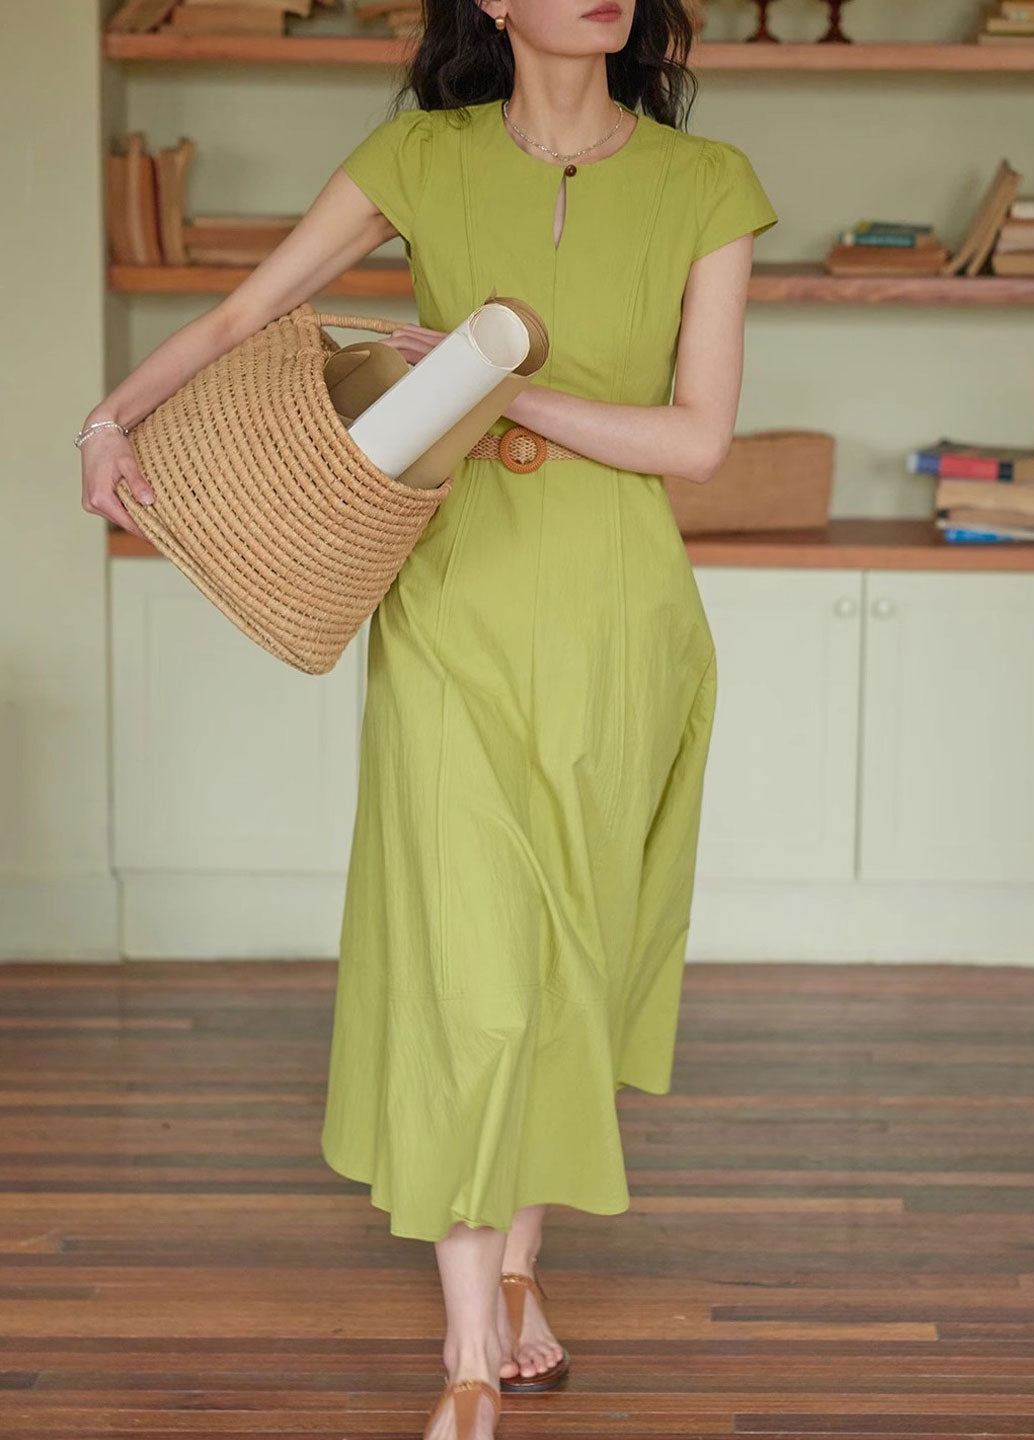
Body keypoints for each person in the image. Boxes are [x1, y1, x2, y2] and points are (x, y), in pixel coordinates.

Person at [77, 2, 778, 1434]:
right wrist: (110, 420)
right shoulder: (420, 155)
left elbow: (698, 439)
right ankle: (467, 1357)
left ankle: (517, 1274)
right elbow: (242, 315)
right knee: (474, 973)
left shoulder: (708, 185)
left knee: (565, 964)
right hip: (452, 602)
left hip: (620, 621)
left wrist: (507, 380)